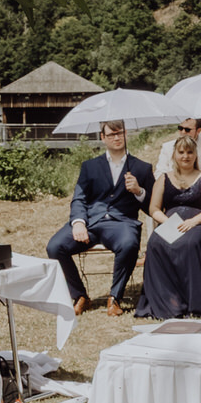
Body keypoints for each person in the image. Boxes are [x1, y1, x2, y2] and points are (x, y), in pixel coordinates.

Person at [46, 120, 156, 316]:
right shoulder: (89, 166)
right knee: (55, 246)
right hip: (91, 222)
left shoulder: (142, 168)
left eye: (120, 133)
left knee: (130, 244)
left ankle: (115, 297)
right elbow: (79, 198)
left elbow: (152, 207)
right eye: (111, 134)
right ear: (103, 137)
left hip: (122, 223)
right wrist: (79, 222)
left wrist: (139, 191)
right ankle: (80, 295)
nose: (116, 137)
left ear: (126, 134)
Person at [137, 135, 201, 318]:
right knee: (156, 243)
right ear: (174, 155)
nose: (185, 156)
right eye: (181, 152)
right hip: (171, 223)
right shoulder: (164, 178)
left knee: (188, 244)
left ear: (195, 155)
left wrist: (193, 221)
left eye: (190, 152)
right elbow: (153, 208)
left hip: (198, 223)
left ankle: (194, 300)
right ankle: (169, 300)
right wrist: (167, 222)